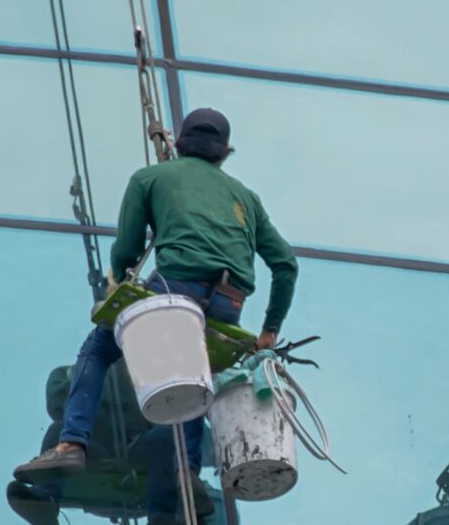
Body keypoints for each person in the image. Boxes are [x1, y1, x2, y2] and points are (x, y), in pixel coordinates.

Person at [15, 109, 297, 499]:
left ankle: (71, 444)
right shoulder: (247, 199)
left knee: (98, 348)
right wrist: (269, 331)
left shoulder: (150, 178)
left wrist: (116, 279)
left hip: (176, 290)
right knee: (193, 370)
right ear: (225, 153)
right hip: (229, 306)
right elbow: (286, 264)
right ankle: (189, 473)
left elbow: (127, 251)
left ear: (177, 143)